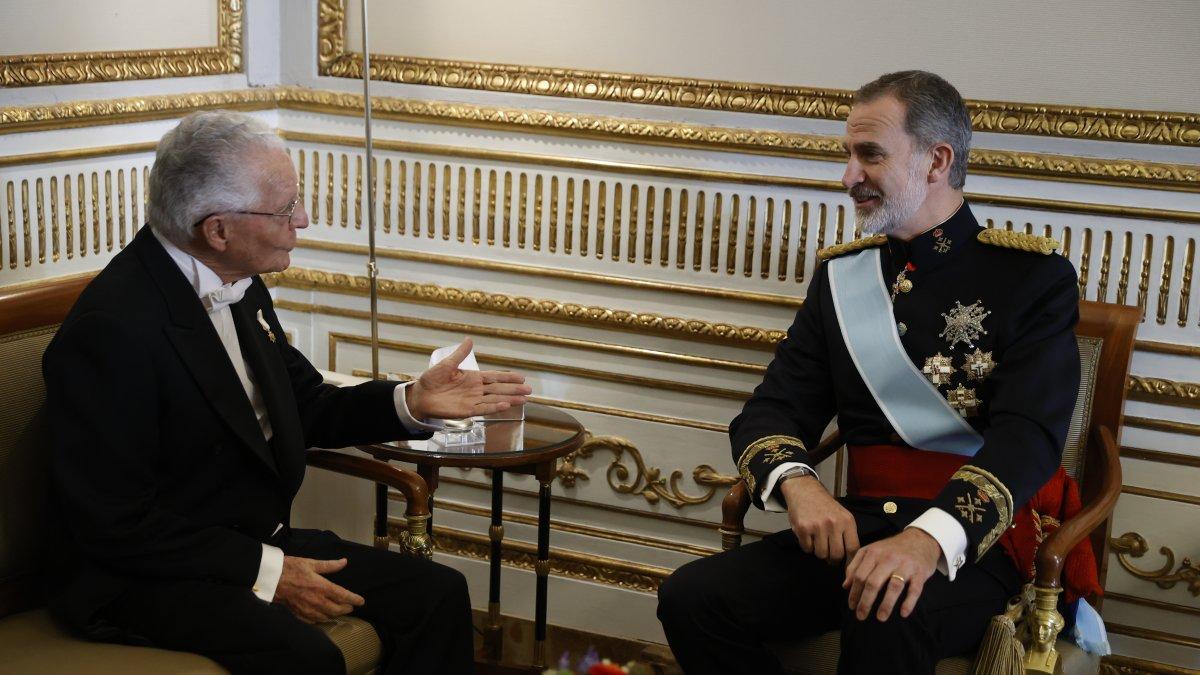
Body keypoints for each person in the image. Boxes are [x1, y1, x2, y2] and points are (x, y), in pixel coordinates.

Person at [43, 110, 532, 674]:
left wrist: (411, 402)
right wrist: (266, 571)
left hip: (248, 541)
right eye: (284, 209)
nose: (303, 218)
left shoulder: (237, 281)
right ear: (218, 229)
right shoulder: (112, 332)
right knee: (307, 659)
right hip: (145, 575)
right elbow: (116, 523)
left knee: (436, 594)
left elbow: (305, 402)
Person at [657, 71, 1081, 673]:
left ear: (937, 161)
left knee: (885, 604)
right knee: (693, 598)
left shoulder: (1032, 280)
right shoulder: (843, 277)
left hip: (971, 544)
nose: (848, 176)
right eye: (848, 155)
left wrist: (926, 540)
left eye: (870, 155)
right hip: (857, 529)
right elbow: (773, 409)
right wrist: (799, 485)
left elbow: (1029, 436)